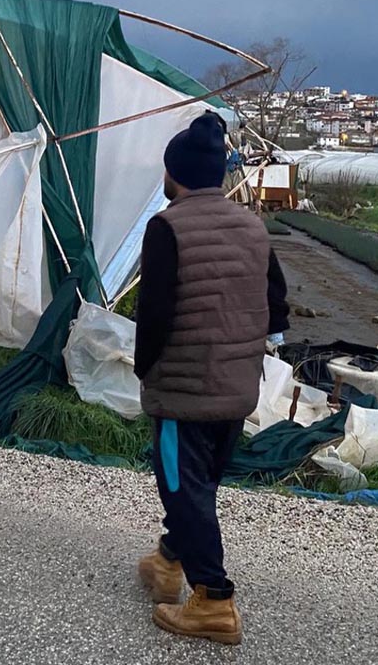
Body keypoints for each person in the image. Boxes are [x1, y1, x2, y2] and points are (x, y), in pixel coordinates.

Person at [133, 113, 275, 645]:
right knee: (199, 486)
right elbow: (277, 305)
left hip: (184, 391)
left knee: (181, 489)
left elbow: (155, 314)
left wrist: (147, 373)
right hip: (238, 386)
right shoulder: (252, 225)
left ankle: (213, 600)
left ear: (174, 173)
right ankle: (170, 561)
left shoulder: (167, 225)